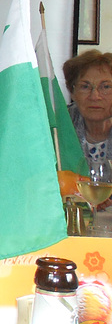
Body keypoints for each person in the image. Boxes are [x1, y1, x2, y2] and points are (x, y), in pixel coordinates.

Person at [63, 49, 112, 209]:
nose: (95, 96)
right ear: (73, 92)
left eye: (106, 86)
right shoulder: (57, 127)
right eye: (85, 86)